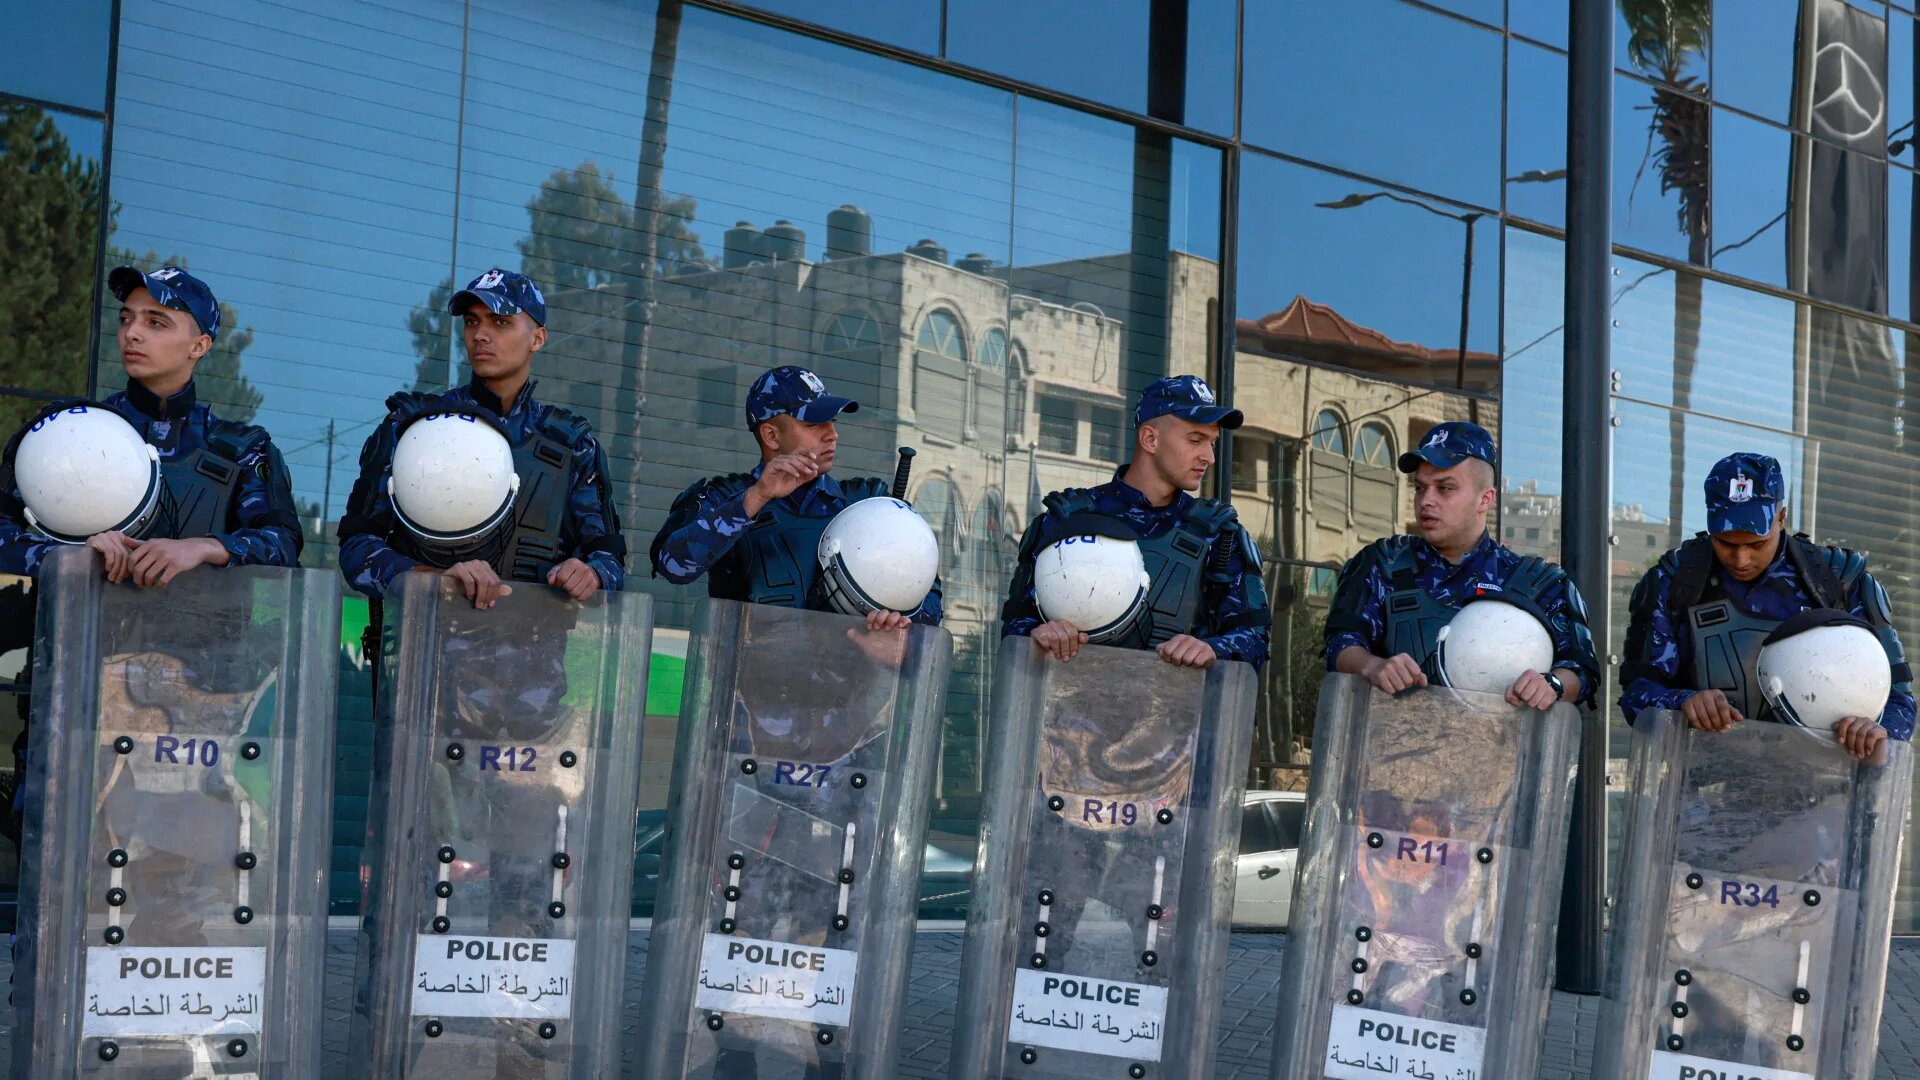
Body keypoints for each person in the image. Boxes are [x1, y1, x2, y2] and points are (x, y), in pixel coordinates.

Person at [337, 267, 626, 614]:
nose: (480, 335)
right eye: (472, 322)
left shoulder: (571, 443)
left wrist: (591, 573)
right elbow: (357, 550)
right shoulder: (413, 428)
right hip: (427, 655)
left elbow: (609, 561)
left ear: (538, 339)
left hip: (533, 659)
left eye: (499, 322)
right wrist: (432, 579)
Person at [1619, 452, 1914, 760]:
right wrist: (1682, 702)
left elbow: (1899, 697)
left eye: (1756, 543)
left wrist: (1878, 731)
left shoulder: (1839, 580)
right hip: (1706, 795)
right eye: (1726, 543)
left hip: (1824, 794)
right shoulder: (1674, 580)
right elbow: (1637, 694)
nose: (1741, 559)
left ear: (1781, 518)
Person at [1322, 420, 1597, 709]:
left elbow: (1582, 671)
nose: (1426, 501)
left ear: (1485, 499)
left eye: (1445, 488)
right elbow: (1341, 643)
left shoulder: (1540, 583)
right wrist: (1373, 666)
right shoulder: (1381, 564)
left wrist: (1551, 684)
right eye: (1420, 488)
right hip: (1390, 748)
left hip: (1498, 750)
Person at [1001, 374, 1271, 668]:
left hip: (1177, 710)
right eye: (1196, 440)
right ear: (1150, 439)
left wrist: (1211, 649)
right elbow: (1015, 626)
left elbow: (1255, 638)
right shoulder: (1066, 522)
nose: (1209, 456)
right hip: (1071, 707)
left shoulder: (1221, 535)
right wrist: (1039, 633)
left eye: (1213, 443)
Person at [650, 364, 943, 631]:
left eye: (832, 421)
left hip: (846, 683)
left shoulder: (869, 502)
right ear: (771, 436)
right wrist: (756, 497)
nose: (832, 435)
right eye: (814, 424)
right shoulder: (726, 497)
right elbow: (673, 565)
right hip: (749, 685)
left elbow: (931, 602)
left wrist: (901, 620)